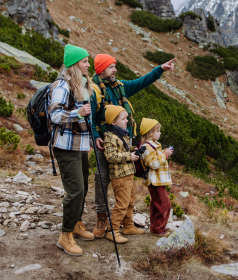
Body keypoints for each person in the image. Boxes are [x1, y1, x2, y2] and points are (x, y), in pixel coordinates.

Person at [90, 54, 176, 238]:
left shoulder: (120, 87)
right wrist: (96, 135)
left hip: (125, 141)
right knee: (102, 178)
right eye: (111, 67)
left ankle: (127, 223)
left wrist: (159, 69)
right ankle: (101, 218)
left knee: (127, 182)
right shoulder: (94, 90)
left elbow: (141, 82)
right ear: (101, 69)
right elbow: (88, 117)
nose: (115, 70)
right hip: (107, 143)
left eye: (115, 66)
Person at [47, 44, 95, 256]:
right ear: (75, 63)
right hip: (65, 146)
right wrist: (78, 113)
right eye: (85, 61)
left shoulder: (81, 84)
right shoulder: (62, 85)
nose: (88, 64)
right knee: (75, 190)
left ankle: (76, 223)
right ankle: (65, 236)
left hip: (80, 145)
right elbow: (55, 116)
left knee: (83, 186)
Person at [102, 105, 142, 244]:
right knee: (122, 204)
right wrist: (128, 156)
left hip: (128, 174)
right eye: (123, 118)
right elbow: (110, 156)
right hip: (120, 176)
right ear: (113, 122)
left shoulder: (121, 134)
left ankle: (128, 226)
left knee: (130, 202)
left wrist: (134, 150)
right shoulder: (110, 137)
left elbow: (123, 149)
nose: (127, 121)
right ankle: (112, 231)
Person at [139, 118, 173, 237]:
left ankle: (155, 226)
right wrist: (165, 154)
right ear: (150, 133)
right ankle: (158, 229)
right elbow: (153, 163)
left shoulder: (154, 145)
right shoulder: (146, 148)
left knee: (156, 203)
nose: (160, 133)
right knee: (164, 204)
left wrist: (164, 152)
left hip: (158, 180)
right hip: (155, 181)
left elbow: (156, 158)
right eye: (158, 131)